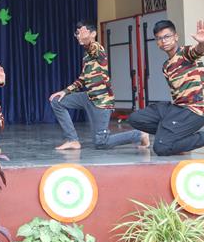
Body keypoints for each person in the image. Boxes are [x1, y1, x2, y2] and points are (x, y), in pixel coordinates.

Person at [127, 20, 204, 156]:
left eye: (167, 36)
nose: (163, 41)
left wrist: (202, 43)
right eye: (159, 38)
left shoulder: (185, 53)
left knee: (161, 148)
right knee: (135, 118)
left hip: (194, 110)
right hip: (177, 108)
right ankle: (178, 140)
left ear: (176, 37)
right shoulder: (166, 66)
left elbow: (198, 51)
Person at [50, 20, 148, 151]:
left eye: (82, 32)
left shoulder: (97, 49)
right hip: (89, 97)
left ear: (93, 34)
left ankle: (139, 134)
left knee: (101, 142)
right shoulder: (86, 56)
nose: (79, 35)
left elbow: (93, 47)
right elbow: (82, 79)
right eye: (77, 33)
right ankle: (72, 140)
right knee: (57, 101)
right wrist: (65, 92)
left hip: (102, 101)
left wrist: (87, 40)